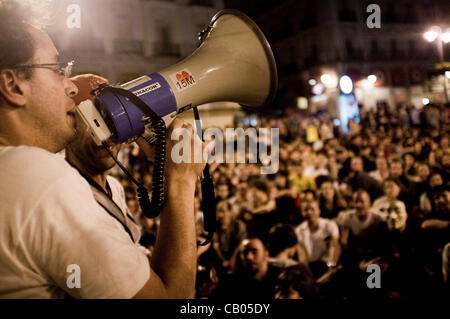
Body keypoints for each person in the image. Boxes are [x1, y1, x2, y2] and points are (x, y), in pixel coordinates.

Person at [0, 1, 207, 298]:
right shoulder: (39, 179)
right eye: (58, 70)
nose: (70, 86)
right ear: (12, 85)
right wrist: (181, 179)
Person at [295, 200, 340, 283]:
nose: (309, 212)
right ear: (302, 213)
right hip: (310, 267)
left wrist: (331, 267)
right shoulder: (299, 230)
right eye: (306, 210)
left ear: (319, 211)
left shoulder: (329, 225)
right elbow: (302, 256)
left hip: (327, 264)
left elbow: (335, 246)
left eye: (312, 209)